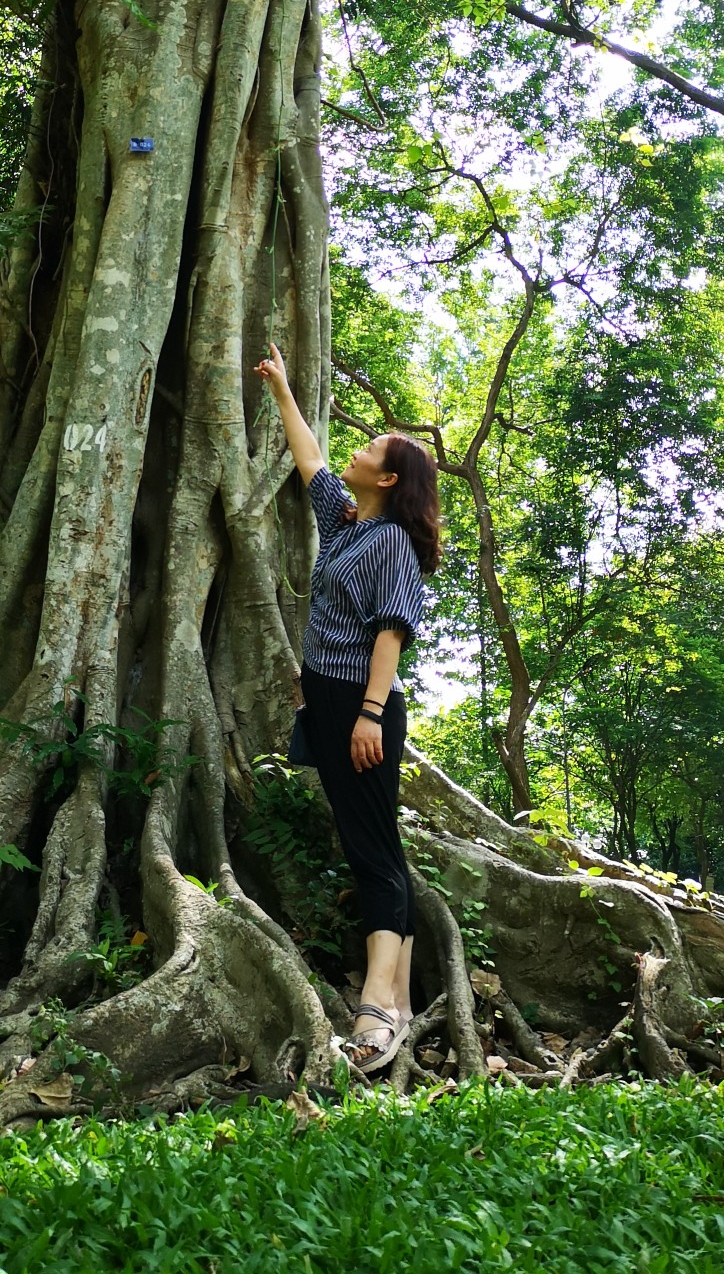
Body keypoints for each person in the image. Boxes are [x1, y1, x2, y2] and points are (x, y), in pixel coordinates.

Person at [256, 341, 440, 1074]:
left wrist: (368, 712)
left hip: (362, 708)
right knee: (374, 844)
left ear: (388, 478)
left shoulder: (391, 540)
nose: (354, 452)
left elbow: (391, 631)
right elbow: (310, 463)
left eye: (369, 449)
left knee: (371, 851)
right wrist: (281, 388)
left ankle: (378, 1006)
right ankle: (392, 994)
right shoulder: (347, 525)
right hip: (330, 703)